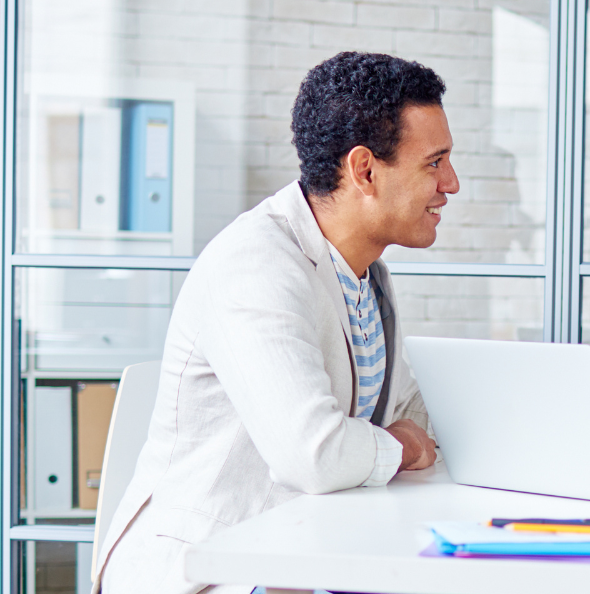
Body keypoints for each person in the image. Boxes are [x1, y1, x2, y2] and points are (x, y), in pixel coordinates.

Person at [94, 52, 457, 594]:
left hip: (297, 562)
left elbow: (410, 410)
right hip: (213, 574)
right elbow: (314, 454)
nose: (450, 183)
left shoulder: (366, 273)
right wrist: (400, 447)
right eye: (435, 162)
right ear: (364, 171)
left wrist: (562, 438)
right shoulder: (256, 264)